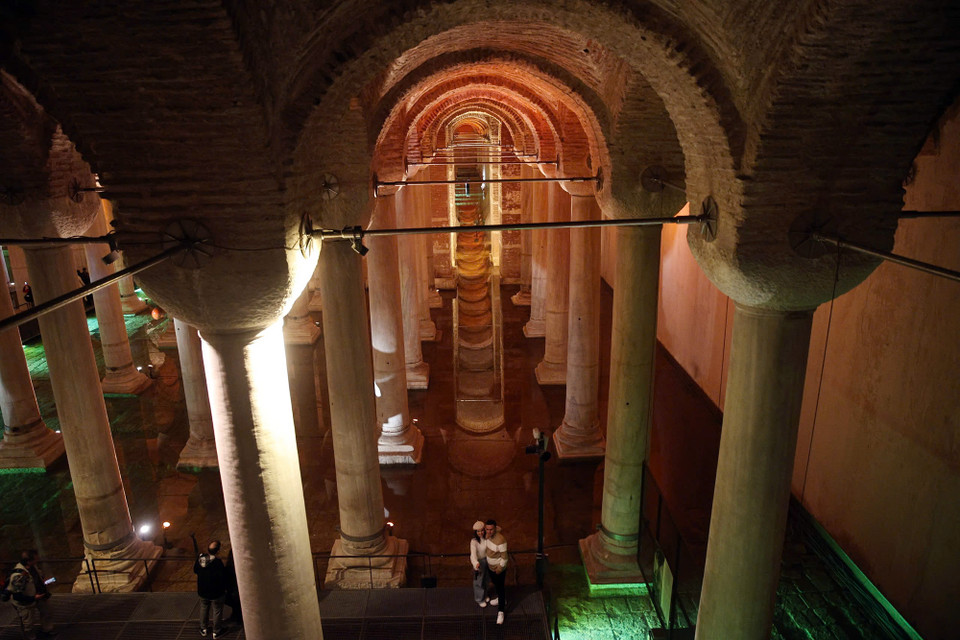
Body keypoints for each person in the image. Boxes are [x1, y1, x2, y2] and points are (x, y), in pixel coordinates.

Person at [6, 550, 55, 639]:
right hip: (25, 601)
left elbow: (38, 577)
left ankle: (47, 630)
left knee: (46, 612)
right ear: (29, 561)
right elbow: (17, 595)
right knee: (28, 622)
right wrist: (33, 597)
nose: (38, 560)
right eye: (36, 559)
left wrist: (44, 582)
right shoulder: (18, 575)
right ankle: (30, 637)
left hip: (39, 594)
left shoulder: (33, 567)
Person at [192, 536, 227, 638]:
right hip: (216, 592)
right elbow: (222, 576)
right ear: (218, 550)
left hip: (203, 591)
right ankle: (216, 631)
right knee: (217, 610)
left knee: (204, 608)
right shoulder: (217, 562)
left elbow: (195, 570)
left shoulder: (200, 559)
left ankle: (203, 629)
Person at [483, 519, 508, 625]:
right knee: (497, 586)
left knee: (501, 588)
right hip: (490, 567)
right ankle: (500, 599)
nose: (489, 532)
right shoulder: (487, 536)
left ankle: (501, 611)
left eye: (491, 529)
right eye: (487, 529)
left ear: (495, 529)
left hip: (498, 570)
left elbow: (505, 557)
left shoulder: (501, 540)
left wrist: (499, 568)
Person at [469, 520, 491, 607]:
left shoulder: (487, 539)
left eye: (482, 530)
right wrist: (475, 563)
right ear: (475, 532)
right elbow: (473, 554)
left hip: (488, 560)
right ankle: (479, 599)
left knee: (487, 579)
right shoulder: (474, 541)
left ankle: (485, 595)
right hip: (480, 562)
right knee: (479, 581)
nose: (480, 533)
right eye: (478, 531)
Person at [223, 549, 242, 625]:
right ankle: (238, 618)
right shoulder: (240, 569)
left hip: (231, 592)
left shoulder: (228, 568)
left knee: (235, 606)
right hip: (238, 591)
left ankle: (236, 617)